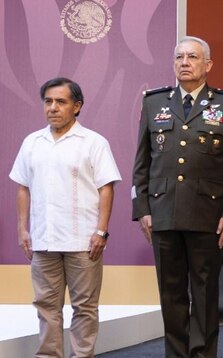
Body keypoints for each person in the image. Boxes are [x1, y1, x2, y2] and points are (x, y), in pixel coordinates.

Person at [131, 36, 223, 358]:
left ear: (207, 65)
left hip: (208, 217)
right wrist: (142, 208)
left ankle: (202, 354)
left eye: (192, 57)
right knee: (170, 294)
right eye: (179, 57)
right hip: (163, 213)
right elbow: (142, 163)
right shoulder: (153, 103)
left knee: (204, 293)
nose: (185, 62)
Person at [9, 78, 121, 358]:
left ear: (77, 106)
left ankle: (82, 355)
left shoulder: (94, 142)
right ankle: (49, 355)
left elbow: (106, 187)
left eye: (61, 102)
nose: (53, 108)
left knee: (84, 306)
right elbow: (23, 187)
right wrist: (23, 230)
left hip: (84, 241)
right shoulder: (32, 142)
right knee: (46, 304)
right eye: (48, 101)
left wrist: (101, 231)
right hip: (44, 239)